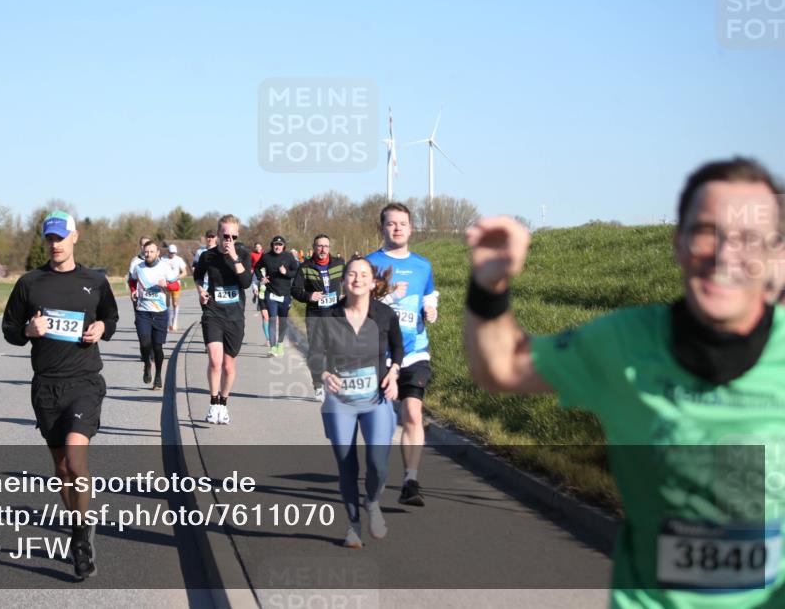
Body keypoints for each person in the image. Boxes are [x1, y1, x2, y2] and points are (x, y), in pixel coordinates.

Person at [463, 158, 784, 608]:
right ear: (678, 244)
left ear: (775, 256)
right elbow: (500, 368)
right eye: (707, 231)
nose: (725, 254)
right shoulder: (624, 344)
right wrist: (488, 288)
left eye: (748, 238)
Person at [1, 210, 119, 581]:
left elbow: (111, 318)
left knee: (75, 457)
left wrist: (101, 326)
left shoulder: (95, 281)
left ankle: (81, 538)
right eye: (49, 239)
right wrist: (29, 329)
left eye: (61, 237)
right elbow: (9, 329)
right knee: (62, 469)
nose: (55, 244)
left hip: (84, 381)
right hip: (46, 386)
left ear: (75, 237)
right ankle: (77, 521)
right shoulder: (29, 283)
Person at [307, 257, 402, 548]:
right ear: (344, 281)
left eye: (364, 274)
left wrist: (395, 373)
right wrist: (322, 372)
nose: (357, 279)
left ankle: (372, 502)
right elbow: (314, 354)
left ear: (373, 283)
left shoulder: (385, 315)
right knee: (347, 466)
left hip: (376, 398)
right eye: (351, 274)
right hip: (341, 401)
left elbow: (399, 348)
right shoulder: (328, 316)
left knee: (378, 465)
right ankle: (353, 526)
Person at [366, 203, 439, 507]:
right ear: (382, 228)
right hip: (378, 355)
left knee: (412, 412)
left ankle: (411, 480)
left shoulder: (423, 265)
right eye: (391, 224)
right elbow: (359, 303)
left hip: (414, 353)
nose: (397, 228)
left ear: (411, 228)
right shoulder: (370, 263)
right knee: (379, 423)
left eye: (403, 224)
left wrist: (430, 309)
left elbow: (429, 295)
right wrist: (388, 294)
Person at [193, 214, 253, 425]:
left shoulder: (243, 254)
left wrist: (234, 257)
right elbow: (198, 275)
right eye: (225, 235)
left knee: (228, 365)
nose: (229, 239)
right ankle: (213, 403)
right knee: (215, 361)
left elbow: (245, 283)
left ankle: (224, 403)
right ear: (217, 234)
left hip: (235, 316)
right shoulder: (207, 256)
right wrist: (201, 290)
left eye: (233, 236)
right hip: (213, 313)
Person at [292, 233, 346, 402]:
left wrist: (346, 295)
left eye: (325, 246)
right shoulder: (305, 267)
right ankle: (317, 385)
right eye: (319, 246)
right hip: (315, 316)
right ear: (314, 248)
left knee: (333, 351)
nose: (322, 249)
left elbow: (349, 282)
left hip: (335, 315)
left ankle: (330, 383)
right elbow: (295, 290)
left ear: (329, 248)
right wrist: (309, 296)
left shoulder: (339, 264)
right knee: (316, 351)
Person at [130, 240, 177, 389]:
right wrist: (133, 291)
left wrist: (167, 285)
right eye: (146, 251)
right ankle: (146, 364)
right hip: (143, 312)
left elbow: (176, 284)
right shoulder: (139, 267)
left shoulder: (165, 267)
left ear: (157, 253)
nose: (148, 254)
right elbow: (132, 280)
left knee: (157, 347)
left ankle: (158, 375)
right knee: (144, 343)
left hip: (160, 312)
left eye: (151, 251)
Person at [256, 235, 300, 357]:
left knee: (283, 321)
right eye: (276, 244)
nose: (277, 246)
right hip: (271, 293)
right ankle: (273, 347)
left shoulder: (289, 257)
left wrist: (286, 273)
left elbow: (296, 272)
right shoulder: (266, 257)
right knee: (272, 319)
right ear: (272, 245)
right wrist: (261, 278)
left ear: (283, 246)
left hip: (285, 295)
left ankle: (280, 344)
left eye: (280, 245)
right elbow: (257, 268)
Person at [163, 243, 188, 332]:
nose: (172, 254)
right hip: (166, 284)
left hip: (176, 284)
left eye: (174, 253)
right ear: (168, 252)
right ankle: (168, 322)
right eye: (171, 252)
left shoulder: (179, 260)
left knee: (175, 303)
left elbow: (185, 272)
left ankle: (175, 320)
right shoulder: (163, 259)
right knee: (166, 303)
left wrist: (176, 278)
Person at [127, 235, 151, 304]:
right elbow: (131, 279)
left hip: (155, 296)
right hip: (139, 296)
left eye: (147, 244)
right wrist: (133, 291)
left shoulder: (157, 260)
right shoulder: (135, 261)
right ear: (140, 246)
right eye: (143, 245)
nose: (145, 247)